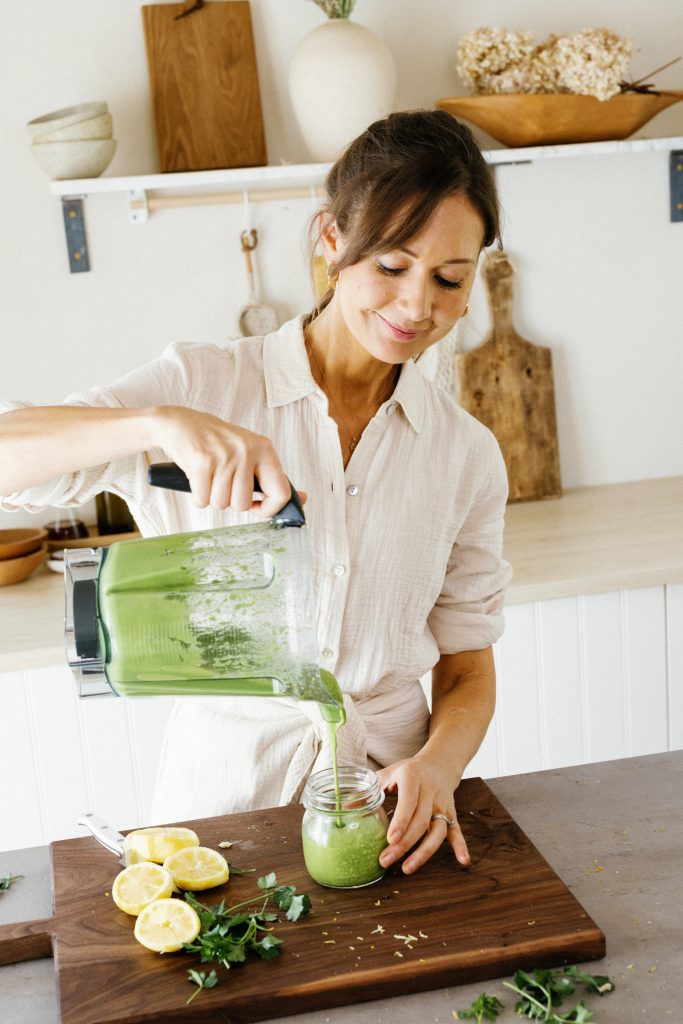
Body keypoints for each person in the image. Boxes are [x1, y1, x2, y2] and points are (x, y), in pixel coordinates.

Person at [0, 109, 511, 876]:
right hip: (220, 806)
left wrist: (439, 763)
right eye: (392, 267)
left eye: (448, 278)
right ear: (331, 239)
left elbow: (467, 665)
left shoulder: (465, 454)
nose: (416, 306)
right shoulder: (202, 383)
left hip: (393, 811)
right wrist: (156, 423)